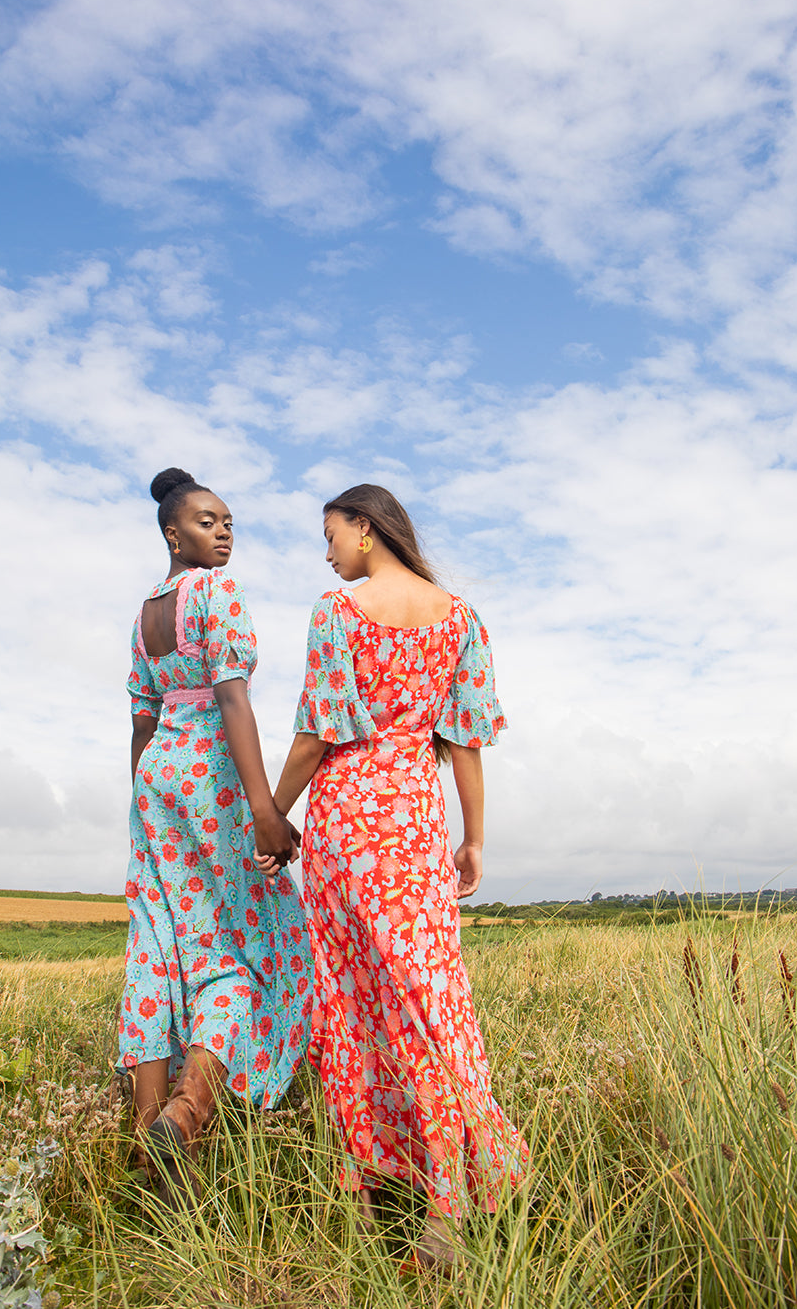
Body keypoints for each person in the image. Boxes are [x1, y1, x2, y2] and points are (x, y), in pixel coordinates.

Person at [269, 484, 527, 1262]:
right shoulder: (460, 618)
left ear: (367, 529)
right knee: (429, 1002)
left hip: (346, 828)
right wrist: (474, 839)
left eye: (332, 534)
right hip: (416, 826)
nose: (327, 552)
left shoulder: (336, 614)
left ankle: (368, 1189)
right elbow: (467, 741)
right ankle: (443, 1202)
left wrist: (272, 812)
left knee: (348, 1004)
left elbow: (318, 735)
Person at [120, 467, 312, 1196]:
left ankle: (144, 1147)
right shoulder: (217, 593)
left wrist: (142, 809)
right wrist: (263, 807)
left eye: (228, 520)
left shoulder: (143, 615)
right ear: (174, 533)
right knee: (238, 947)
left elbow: (142, 720)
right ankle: (186, 1115)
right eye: (207, 521)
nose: (223, 531)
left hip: (158, 779)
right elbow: (233, 699)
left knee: (159, 942)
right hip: (209, 774)